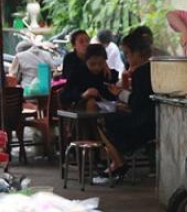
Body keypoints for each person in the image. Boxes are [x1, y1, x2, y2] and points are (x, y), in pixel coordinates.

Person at [99, 28, 156, 179]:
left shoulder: (141, 72)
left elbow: (138, 101)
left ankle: (118, 161)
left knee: (103, 119)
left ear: (137, 53)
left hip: (143, 123)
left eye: (128, 54)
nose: (126, 57)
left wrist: (120, 94)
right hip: (150, 118)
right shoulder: (151, 68)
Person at [60, 44, 119, 109]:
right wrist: (83, 95)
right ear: (85, 61)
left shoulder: (109, 74)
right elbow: (64, 97)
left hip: (107, 108)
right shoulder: (77, 73)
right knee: (91, 102)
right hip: (82, 109)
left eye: (100, 63)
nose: (97, 67)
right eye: (92, 64)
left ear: (105, 62)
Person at [61, 29, 91, 98]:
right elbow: (70, 80)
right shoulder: (69, 58)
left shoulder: (93, 56)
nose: (85, 44)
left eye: (87, 41)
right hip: (75, 94)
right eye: (81, 42)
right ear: (74, 45)